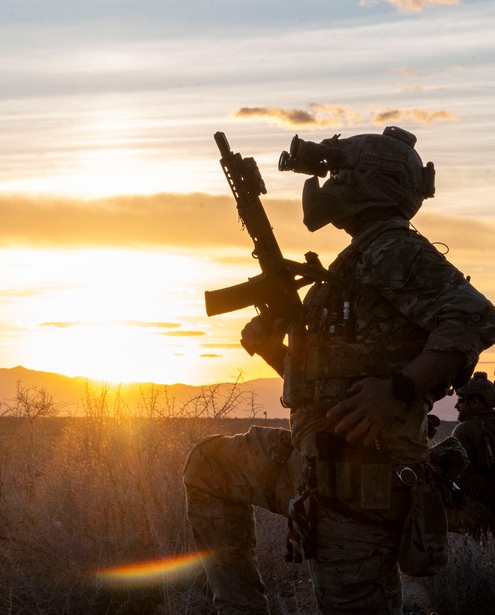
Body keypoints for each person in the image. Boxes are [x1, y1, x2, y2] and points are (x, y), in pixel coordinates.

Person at [183, 126, 495, 614]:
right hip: (314, 465)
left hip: (362, 485)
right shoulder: (359, 260)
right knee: (210, 465)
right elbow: (324, 381)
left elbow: (476, 317)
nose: (328, 184)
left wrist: (397, 389)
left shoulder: (394, 249)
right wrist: (274, 351)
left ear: (370, 180)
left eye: (338, 172)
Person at [448, 371, 495, 536]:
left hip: (483, 511)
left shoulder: (466, 429)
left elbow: (463, 476)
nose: (456, 406)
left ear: (475, 402)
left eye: (461, 401)